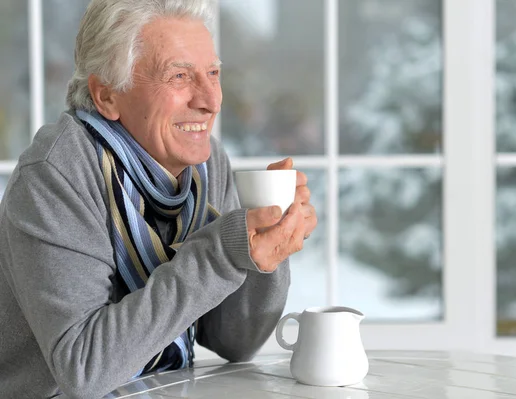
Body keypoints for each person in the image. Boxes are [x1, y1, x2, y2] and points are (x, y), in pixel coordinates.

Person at [0, 0, 317, 397]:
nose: (210, 100)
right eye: (180, 76)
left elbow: (233, 341)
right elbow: (83, 369)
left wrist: (261, 252)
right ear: (107, 95)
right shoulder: (56, 173)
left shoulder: (206, 163)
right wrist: (221, 253)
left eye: (213, 73)